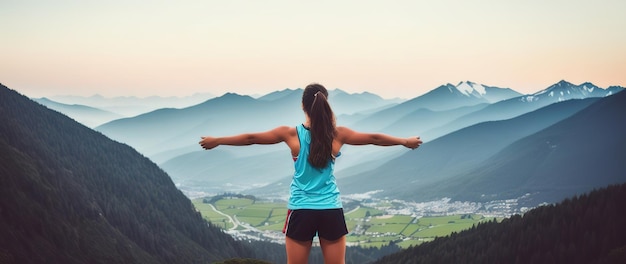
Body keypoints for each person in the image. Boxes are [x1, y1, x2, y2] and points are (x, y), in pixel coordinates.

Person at [199, 83, 422, 264]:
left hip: (301, 209)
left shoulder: (291, 134)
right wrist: (404, 141)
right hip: (330, 209)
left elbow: (251, 138)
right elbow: (374, 138)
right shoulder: (337, 134)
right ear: (326, 104)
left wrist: (217, 141)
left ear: (303, 106)